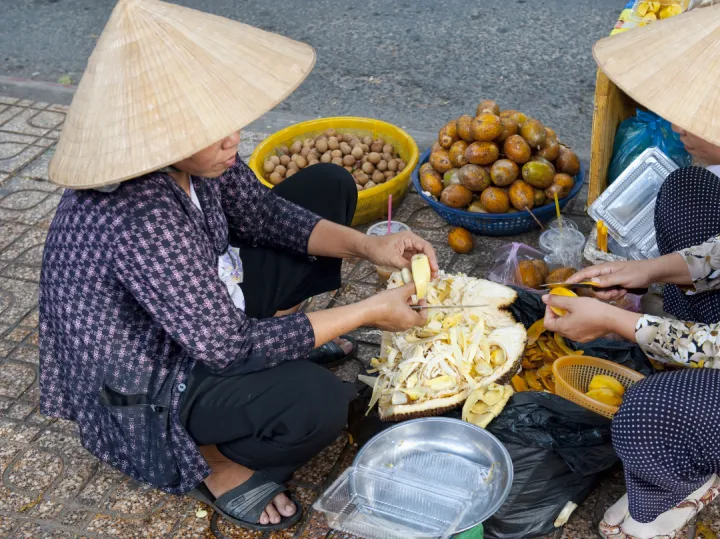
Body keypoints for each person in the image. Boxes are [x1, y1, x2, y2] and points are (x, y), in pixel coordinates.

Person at [38, 0, 437, 532]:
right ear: (164, 138)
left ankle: (285, 344)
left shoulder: (197, 160)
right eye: (215, 131)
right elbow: (226, 347)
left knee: (327, 186)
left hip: (202, 315)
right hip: (151, 377)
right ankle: (215, 460)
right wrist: (367, 312)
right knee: (317, 405)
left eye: (231, 123)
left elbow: (263, 213)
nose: (235, 140)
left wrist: (368, 248)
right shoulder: (141, 216)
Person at [541, 0, 720, 537]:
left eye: (695, 115)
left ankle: (677, 491)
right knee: (686, 190)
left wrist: (620, 323)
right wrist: (645, 272)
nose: (677, 126)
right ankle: (698, 403)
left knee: (647, 413)